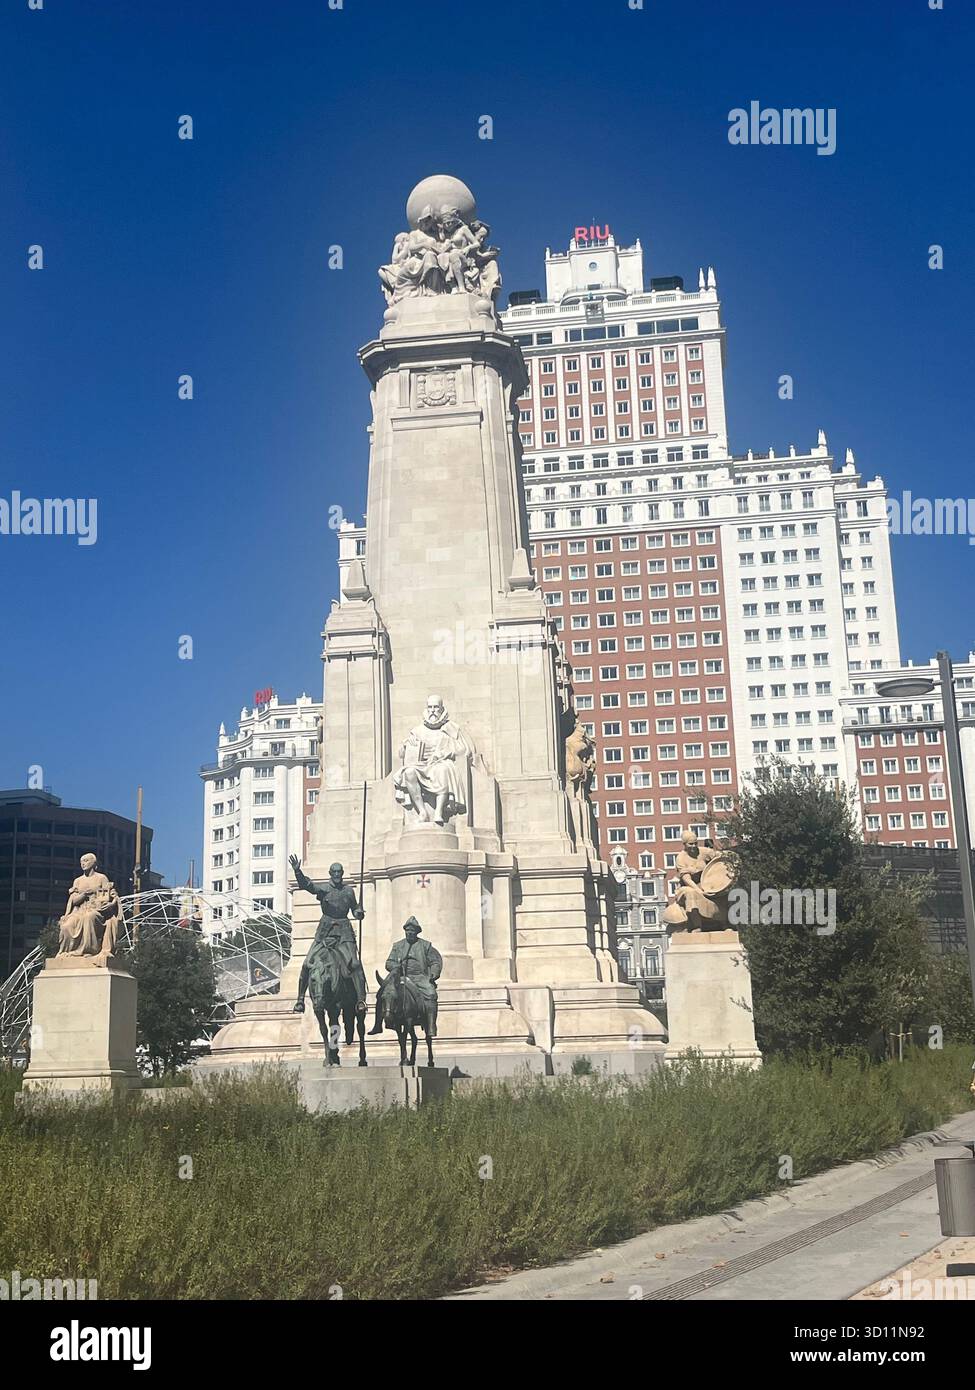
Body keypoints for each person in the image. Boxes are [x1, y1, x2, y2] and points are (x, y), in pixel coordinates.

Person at [289, 858, 367, 1014]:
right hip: (325, 931)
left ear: (342, 874)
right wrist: (297, 871)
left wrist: (358, 913)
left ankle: (360, 1000)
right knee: (306, 963)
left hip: (344, 931)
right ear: (330, 874)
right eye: (334, 872)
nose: (337, 874)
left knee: (356, 964)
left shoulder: (349, 891)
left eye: (339, 872)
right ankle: (300, 1000)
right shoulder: (324, 889)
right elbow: (306, 885)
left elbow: (355, 909)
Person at [370, 916, 442, 1035]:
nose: (409, 933)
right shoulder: (397, 946)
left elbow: (434, 962)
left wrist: (434, 973)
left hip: (419, 977)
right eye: (407, 931)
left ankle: (431, 1025)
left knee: (431, 994)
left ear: (417, 932)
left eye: (412, 931)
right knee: (383, 993)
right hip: (400, 976)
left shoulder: (425, 946)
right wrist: (395, 967)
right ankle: (378, 1024)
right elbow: (389, 962)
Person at [57, 853, 123, 961]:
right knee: (66, 926)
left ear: (94, 863)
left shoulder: (101, 878)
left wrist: (111, 904)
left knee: (89, 917)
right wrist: (83, 895)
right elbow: (73, 900)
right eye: (82, 861)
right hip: (79, 910)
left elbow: (111, 896)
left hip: (97, 910)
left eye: (86, 861)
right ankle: (65, 952)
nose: (83, 863)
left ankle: (89, 950)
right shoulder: (78, 881)